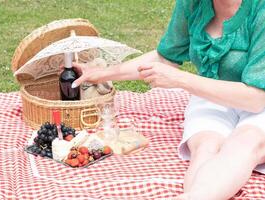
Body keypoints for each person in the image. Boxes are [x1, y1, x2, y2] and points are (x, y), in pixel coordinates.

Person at [70, 0, 265, 199]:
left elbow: (256, 98)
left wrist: (180, 80)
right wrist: (102, 74)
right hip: (211, 93)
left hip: (259, 100)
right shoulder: (193, 4)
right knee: (206, 147)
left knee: (245, 142)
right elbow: (165, 58)